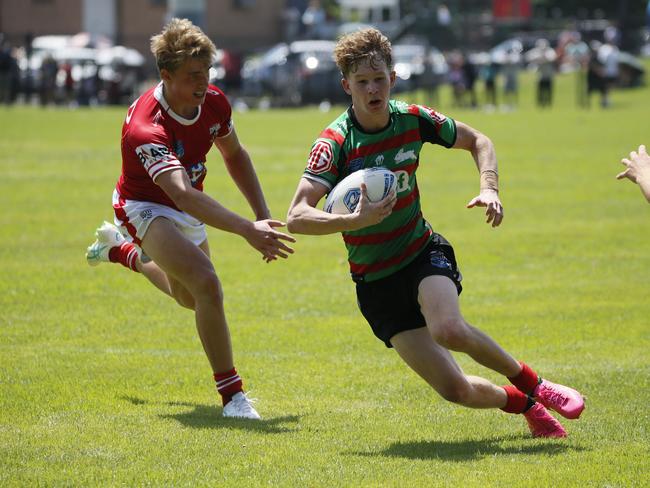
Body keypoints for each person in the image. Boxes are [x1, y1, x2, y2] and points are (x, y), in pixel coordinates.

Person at [286, 28, 584, 438]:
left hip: (421, 252)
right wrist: (353, 221)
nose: (373, 89)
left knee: (448, 328)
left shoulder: (413, 119)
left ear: (393, 76)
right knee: (455, 389)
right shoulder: (335, 142)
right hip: (375, 283)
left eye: (379, 79)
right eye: (362, 82)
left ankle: (536, 384)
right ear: (346, 86)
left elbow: (479, 140)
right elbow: (297, 215)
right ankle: (525, 405)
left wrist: (489, 188)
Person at [85, 19, 295, 419]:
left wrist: (263, 216)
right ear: (166, 76)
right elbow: (180, 193)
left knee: (188, 297)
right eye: (192, 75)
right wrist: (247, 230)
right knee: (207, 284)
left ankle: (122, 253)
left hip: (187, 204)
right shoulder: (147, 129)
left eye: (207, 71)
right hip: (144, 205)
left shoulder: (214, 102)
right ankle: (233, 398)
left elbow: (235, 155)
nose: (203, 82)